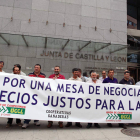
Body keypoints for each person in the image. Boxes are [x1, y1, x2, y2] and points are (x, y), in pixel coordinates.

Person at [22, 64, 46, 129]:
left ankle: (36, 120)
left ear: (40, 69)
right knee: (29, 108)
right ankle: (26, 122)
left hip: (39, 95)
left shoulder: (43, 76)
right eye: (35, 67)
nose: (36, 68)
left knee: (37, 107)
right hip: (30, 94)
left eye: (37, 67)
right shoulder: (29, 75)